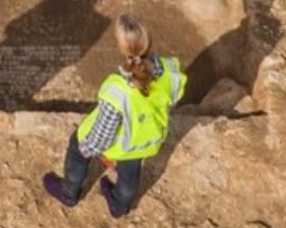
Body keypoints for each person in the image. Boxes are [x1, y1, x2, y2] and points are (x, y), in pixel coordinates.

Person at [42, 14, 186, 219]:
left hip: (121, 144)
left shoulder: (117, 91)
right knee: (130, 173)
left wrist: (87, 149)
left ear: (121, 48)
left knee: (77, 147)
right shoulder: (170, 69)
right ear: (148, 42)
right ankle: (119, 207)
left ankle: (68, 194)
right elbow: (174, 96)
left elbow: (102, 135)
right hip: (145, 140)